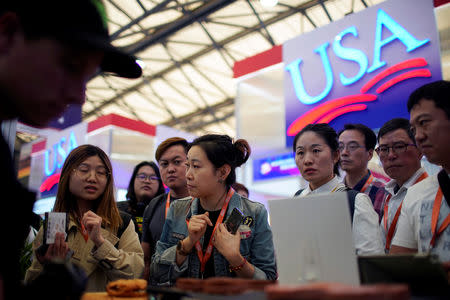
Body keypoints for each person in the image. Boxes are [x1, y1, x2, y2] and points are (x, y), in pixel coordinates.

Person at [0, 0, 141, 298]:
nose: (79, 97)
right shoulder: (53, 223)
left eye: (87, 77)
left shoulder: (121, 222)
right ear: (8, 33)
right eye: (70, 66)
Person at [150, 134, 277, 285]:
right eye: (187, 165)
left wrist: (235, 258)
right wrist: (188, 243)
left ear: (222, 172)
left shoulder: (254, 213)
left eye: (196, 166)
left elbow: (269, 280)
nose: (188, 175)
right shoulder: (178, 209)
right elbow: (156, 272)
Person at [25, 145, 144, 291]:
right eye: (83, 170)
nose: (92, 178)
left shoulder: (121, 223)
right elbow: (31, 283)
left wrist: (100, 243)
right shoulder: (55, 224)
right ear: (68, 174)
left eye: (100, 172)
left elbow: (135, 273)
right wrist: (51, 267)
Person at [293, 124, 383, 255]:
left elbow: (371, 260)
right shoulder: (297, 199)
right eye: (300, 152)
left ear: (335, 156)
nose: (307, 160)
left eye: (316, 151)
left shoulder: (355, 201)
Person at [391, 80, 450, 264]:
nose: (418, 136)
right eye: (414, 129)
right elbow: (399, 263)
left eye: (424, 123)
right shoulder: (416, 193)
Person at [375, 118, 427, 253]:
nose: (391, 155)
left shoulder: (431, 192)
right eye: (384, 149)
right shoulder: (390, 193)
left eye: (399, 147)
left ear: (420, 150)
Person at [141, 137, 190, 280]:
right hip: (159, 286)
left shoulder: (204, 204)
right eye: (164, 164)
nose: (170, 169)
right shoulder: (153, 205)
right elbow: (146, 259)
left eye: (177, 162)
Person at [338, 124, 388, 220]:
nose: (344, 152)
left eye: (352, 147)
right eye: (340, 147)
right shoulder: (334, 192)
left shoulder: (383, 193)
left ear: (369, 154)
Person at [118, 161, 165, 239]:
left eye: (153, 178)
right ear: (133, 181)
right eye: (142, 176)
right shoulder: (117, 210)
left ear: (159, 184)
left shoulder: (165, 212)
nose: (147, 181)